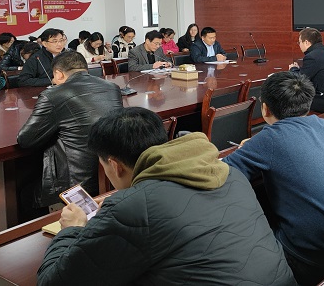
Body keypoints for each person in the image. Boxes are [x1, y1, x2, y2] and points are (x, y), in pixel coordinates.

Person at [37, 107, 295, 285]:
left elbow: (53, 281)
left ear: (115, 165)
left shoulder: (133, 208)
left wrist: (71, 229)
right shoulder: (228, 173)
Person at [224, 72, 324, 285]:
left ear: (265, 109)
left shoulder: (270, 138)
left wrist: (250, 148)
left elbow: (224, 171)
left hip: (313, 260)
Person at [17, 51, 123, 214]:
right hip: (110, 172)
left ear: (59, 74)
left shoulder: (53, 95)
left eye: (53, 77)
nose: (53, 81)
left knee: (24, 192)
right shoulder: (112, 88)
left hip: (75, 183)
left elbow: (25, 140)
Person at [289, 27, 324, 113]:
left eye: (299, 42)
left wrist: (293, 69)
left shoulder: (312, 56)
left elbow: (300, 79)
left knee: (290, 99)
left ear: (306, 42)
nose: (299, 45)